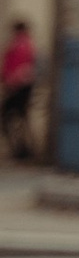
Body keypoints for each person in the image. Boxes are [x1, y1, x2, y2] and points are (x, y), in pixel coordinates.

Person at [1, 17, 35, 161]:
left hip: (18, 88)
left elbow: (20, 69)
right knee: (19, 118)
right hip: (19, 87)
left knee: (10, 117)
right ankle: (23, 149)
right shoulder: (25, 44)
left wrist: (11, 83)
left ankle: (22, 150)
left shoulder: (21, 45)